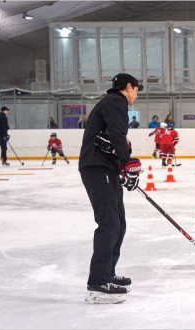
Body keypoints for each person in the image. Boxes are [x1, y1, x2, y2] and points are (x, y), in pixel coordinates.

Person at [78, 73, 143, 304]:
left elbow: (112, 140)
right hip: (97, 168)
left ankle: (108, 273)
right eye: (136, 89)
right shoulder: (116, 102)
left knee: (119, 223)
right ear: (128, 87)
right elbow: (116, 135)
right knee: (109, 223)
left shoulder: (113, 104)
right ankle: (97, 283)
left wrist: (122, 168)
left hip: (106, 168)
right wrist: (127, 163)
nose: (137, 94)